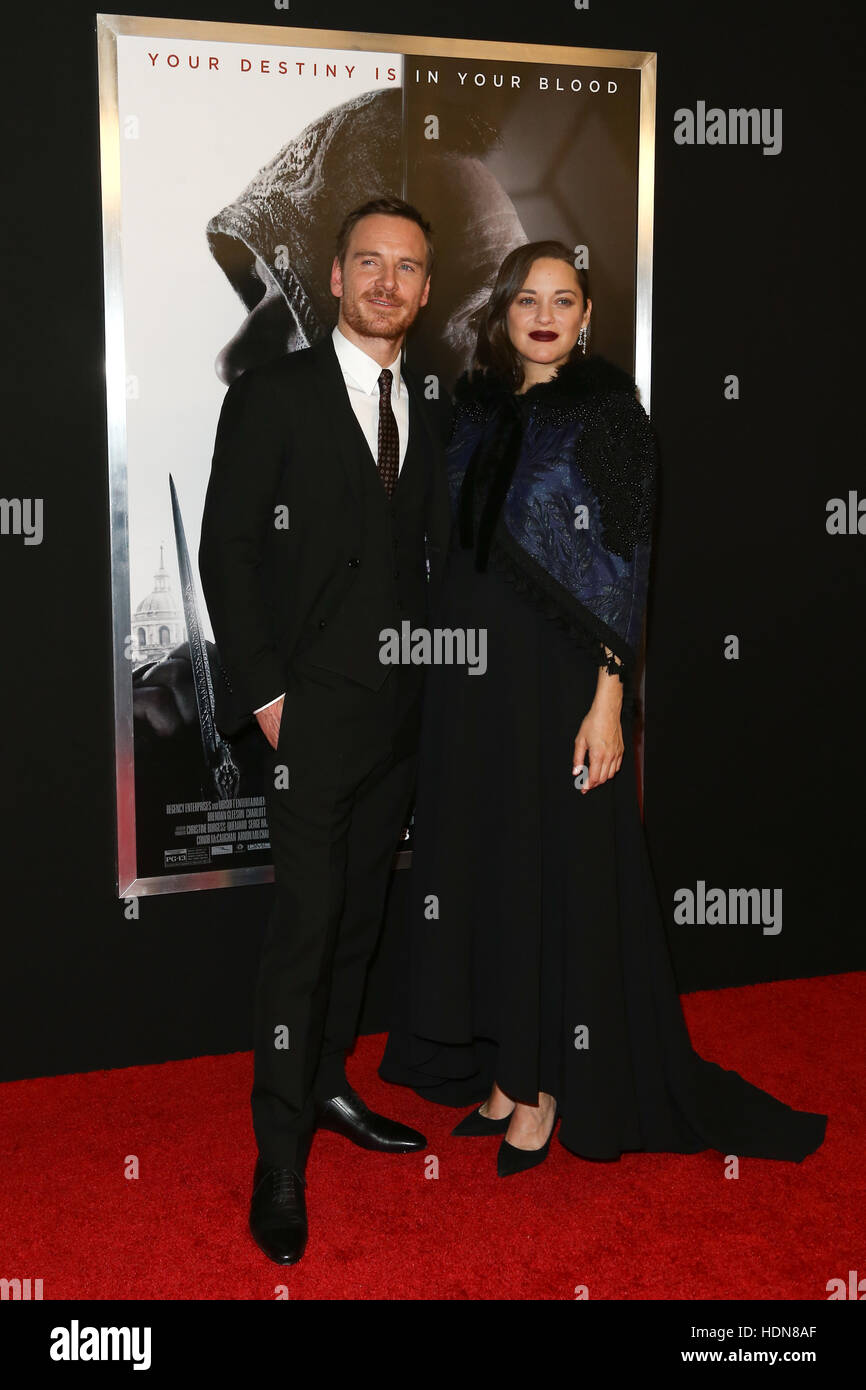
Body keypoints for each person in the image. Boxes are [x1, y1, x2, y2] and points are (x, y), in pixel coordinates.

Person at [379, 240, 827, 1175]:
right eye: (527, 298)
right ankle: (506, 1065)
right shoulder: (470, 412)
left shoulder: (612, 419)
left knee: (555, 865)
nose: (544, 313)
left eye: (565, 298)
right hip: (471, 684)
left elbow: (627, 569)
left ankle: (546, 1090)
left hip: (557, 680)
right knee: (488, 865)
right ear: (501, 313)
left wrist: (610, 697)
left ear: (587, 318)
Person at [199, 197, 451, 1263]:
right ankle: (279, 1151)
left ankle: (332, 1084)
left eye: (407, 267)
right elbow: (227, 552)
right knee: (304, 935)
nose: (388, 282)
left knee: (357, 924)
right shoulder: (272, 395)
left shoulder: (432, 404)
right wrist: (267, 701)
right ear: (336, 277)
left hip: (398, 721)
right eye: (369, 263)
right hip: (305, 719)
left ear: (425, 290)